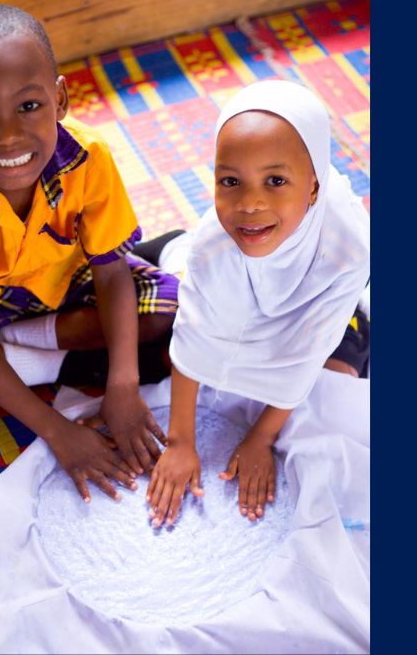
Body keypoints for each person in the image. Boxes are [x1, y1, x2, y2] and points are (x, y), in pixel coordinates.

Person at [0, 4, 181, 502]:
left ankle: (24, 359)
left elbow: (109, 276)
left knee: (165, 305)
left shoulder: (89, 157)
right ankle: (54, 364)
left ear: (59, 99)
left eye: (29, 106)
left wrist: (123, 387)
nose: (8, 136)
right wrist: (59, 431)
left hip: (63, 283)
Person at [145, 80, 371, 526]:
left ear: (314, 188)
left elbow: (305, 358)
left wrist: (262, 438)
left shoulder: (348, 249)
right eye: (231, 181)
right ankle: (170, 247)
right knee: (158, 328)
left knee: (337, 380)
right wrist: (180, 441)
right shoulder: (216, 243)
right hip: (223, 270)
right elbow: (193, 338)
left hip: (338, 312)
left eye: (275, 181)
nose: (250, 202)